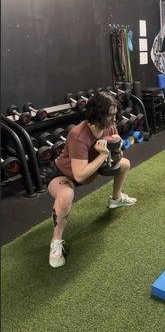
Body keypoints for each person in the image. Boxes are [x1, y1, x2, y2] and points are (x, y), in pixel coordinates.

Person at [47, 92, 137, 268]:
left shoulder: (109, 126)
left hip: (90, 169)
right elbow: (79, 175)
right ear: (96, 114)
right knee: (66, 196)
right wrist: (103, 155)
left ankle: (116, 199)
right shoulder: (78, 135)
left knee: (124, 164)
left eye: (114, 114)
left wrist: (117, 146)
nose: (113, 119)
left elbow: (118, 157)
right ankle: (56, 241)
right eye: (109, 115)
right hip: (64, 175)